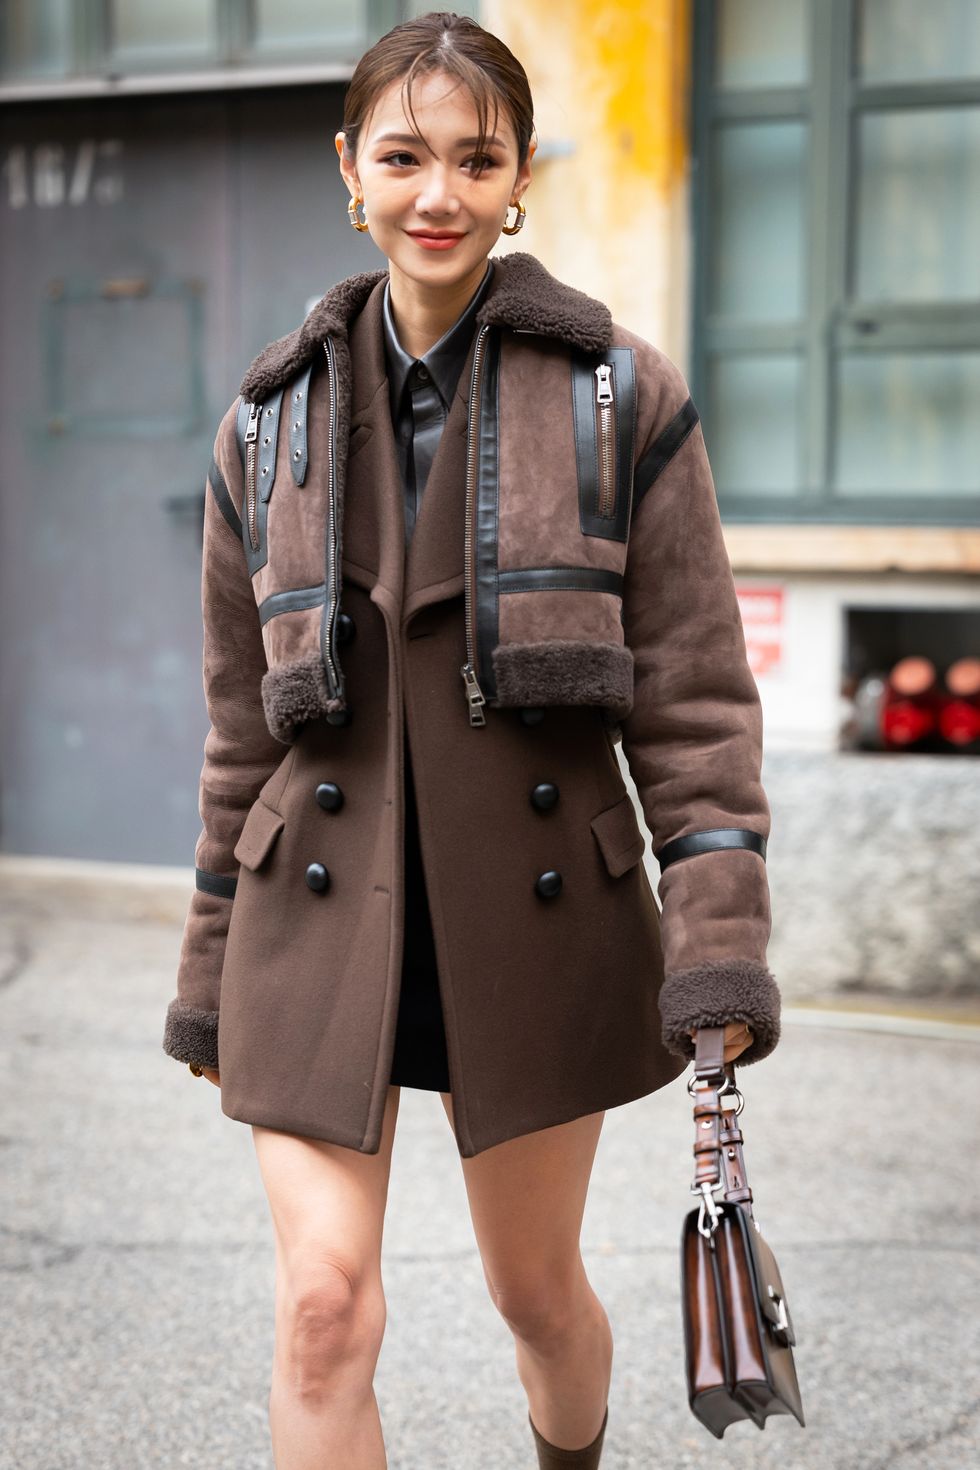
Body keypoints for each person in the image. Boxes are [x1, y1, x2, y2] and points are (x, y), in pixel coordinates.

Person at [162, 12, 779, 1468]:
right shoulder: (264, 426)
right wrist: (203, 970)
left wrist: (719, 942)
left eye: (473, 157)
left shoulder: (623, 396)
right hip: (311, 924)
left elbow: (695, 706)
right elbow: (239, 728)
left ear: (519, 179)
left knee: (537, 1295)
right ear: (350, 172)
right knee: (322, 1308)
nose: (435, 191)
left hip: (538, 915)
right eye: (402, 155)